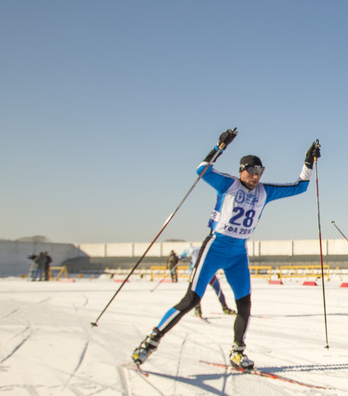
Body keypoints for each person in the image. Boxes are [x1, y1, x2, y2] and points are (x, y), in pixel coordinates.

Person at [132, 130, 320, 370]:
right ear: (241, 170)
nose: (255, 176)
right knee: (191, 300)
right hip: (215, 247)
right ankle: (150, 342)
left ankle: (238, 351)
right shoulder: (228, 184)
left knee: (244, 305)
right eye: (251, 171)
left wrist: (308, 162)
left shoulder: (265, 191)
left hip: (238, 254)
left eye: (259, 172)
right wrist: (219, 147)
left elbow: (300, 187)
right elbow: (202, 170)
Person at [181, 243, 236, 317]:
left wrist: (181, 257)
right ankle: (224, 307)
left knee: (197, 292)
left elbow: (185, 251)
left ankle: (198, 309)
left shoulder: (194, 248)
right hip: (206, 273)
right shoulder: (209, 249)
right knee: (218, 290)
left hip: (202, 274)